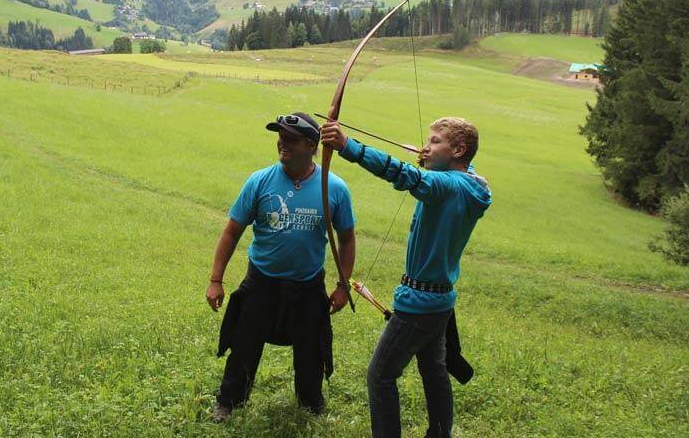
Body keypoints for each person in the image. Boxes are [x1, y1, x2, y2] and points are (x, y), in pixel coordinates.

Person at [320, 116, 492, 438]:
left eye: (435, 141)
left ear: (458, 150)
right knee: (433, 370)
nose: (426, 147)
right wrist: (434, 161)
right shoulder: (469, 185)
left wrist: (346, 146)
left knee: (380, 375)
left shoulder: (444, 186)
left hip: (419, 305)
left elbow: (401, 173)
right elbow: (448, 177)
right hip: (440, 301)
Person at [206, 112, 356, 420]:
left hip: (308, 285)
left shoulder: (334, 188)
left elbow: (347, 239)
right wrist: (216, 279)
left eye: (291, 139)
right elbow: (232, 231)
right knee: (244, 344)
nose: (282, 143)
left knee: (311, 350)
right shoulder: (259, 181)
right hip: (261, 281)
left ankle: (311, 404)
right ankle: (229, 401)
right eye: (281, 137)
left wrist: (343, 286)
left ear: (312, 146)